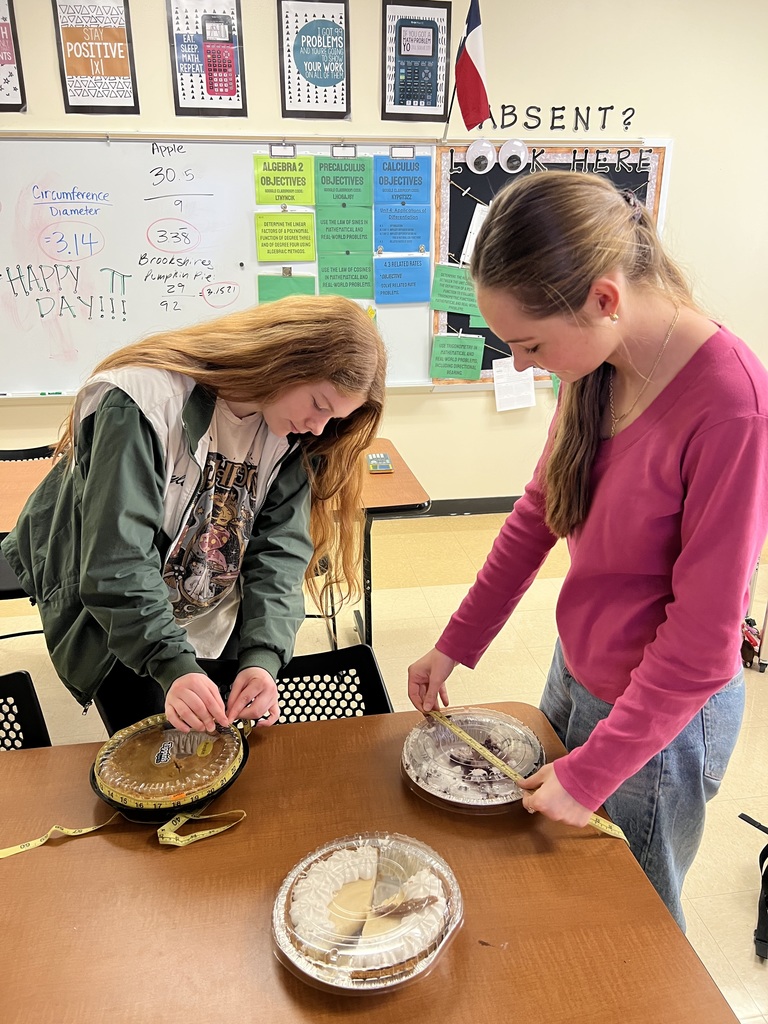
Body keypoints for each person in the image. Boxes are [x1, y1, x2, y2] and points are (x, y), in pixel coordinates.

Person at [407, 171, 768, 929]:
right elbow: (538, 514)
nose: (522, 364)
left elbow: (705, 644)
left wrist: (599, 768)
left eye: (530, 344)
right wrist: (455, 644)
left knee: (626, 921)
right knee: (554, 883)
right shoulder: (596, 363)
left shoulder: (731, 404)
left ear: (605, 298)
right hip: (578, 667)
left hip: (661, 716)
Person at [2, 294, 386, 737]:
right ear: (286, 361)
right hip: (125, 619)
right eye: (320, 404)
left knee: (218, 750)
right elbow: (117, 562)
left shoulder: (294, 436)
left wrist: (263, 657)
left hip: (206, 605)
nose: (320, 427)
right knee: (154, 754)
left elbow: (279, 553)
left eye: (334, 417)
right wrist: (172, 664)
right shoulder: (142, 402)